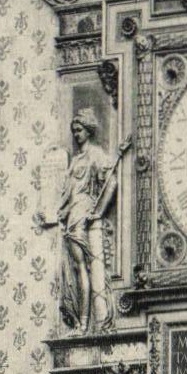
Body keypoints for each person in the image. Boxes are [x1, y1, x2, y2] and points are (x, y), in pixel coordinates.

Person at [57, 110, 118, 333]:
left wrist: (100, 211)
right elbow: (67, 193)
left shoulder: (96, 154)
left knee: (83, 267)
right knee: (76, 267)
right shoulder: (75, 160)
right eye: (74, 131)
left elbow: (111, 182)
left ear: (89, 130)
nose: (76, 135)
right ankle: (80, 320)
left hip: (82, 213)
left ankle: (84, 322)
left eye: (80, 130)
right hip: (71, 214)